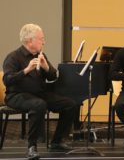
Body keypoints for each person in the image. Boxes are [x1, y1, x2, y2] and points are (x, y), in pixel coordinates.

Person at [2, 23, 76, 160]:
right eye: (41, 38)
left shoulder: (41, 55)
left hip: (38, 94)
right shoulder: (13, 57)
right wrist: (26, 70)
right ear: (30, 40)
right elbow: (7, 80)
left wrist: (46, 67)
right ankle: (32, 147)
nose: (44, 41)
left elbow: (53, 77)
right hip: (16, 95)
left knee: (70, 104)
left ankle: (57, 141)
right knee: (38, 104)